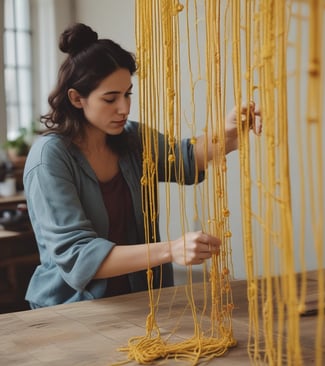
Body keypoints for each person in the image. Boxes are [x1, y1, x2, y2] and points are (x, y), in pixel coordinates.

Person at [24, 23, 259, 308]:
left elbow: (184, 157)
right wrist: (171, 250)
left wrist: (229, 131)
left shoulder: (132, 138)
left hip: (138, 302)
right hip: (69, 310)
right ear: (76, 98)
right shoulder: (50, 157)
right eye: (110, 98)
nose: (124, 108)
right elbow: (78, 257)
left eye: (128, 94)